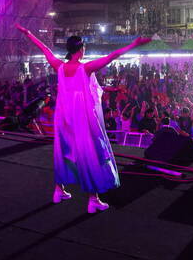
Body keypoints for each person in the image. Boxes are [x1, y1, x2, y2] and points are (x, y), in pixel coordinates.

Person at [17, 24, 150, 213]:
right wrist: (134, 44)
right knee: (90, 152)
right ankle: (93, 199)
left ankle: (58, 190)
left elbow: (44, 49)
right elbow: (112, 56)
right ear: (80, 50)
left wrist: (29, 32)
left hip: (63, 115)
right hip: (82, 116)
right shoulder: (85, 68)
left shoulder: (59, 67)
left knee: (63, 150)